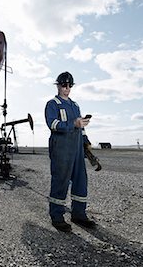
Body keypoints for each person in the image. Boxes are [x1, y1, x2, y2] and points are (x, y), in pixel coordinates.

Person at [44, 71, 96, 232]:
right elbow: (52, 124)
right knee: (61, 181)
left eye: (69, 86)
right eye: (63, 85)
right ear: (58, 85)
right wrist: (73, 124)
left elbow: (81, 127)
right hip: (61, 149)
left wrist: (85, 141)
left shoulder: (75, 105)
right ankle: (57, 216)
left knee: (81, 180)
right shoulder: (52, 104)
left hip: (77, 148)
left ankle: (79, 214)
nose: (66, 88)